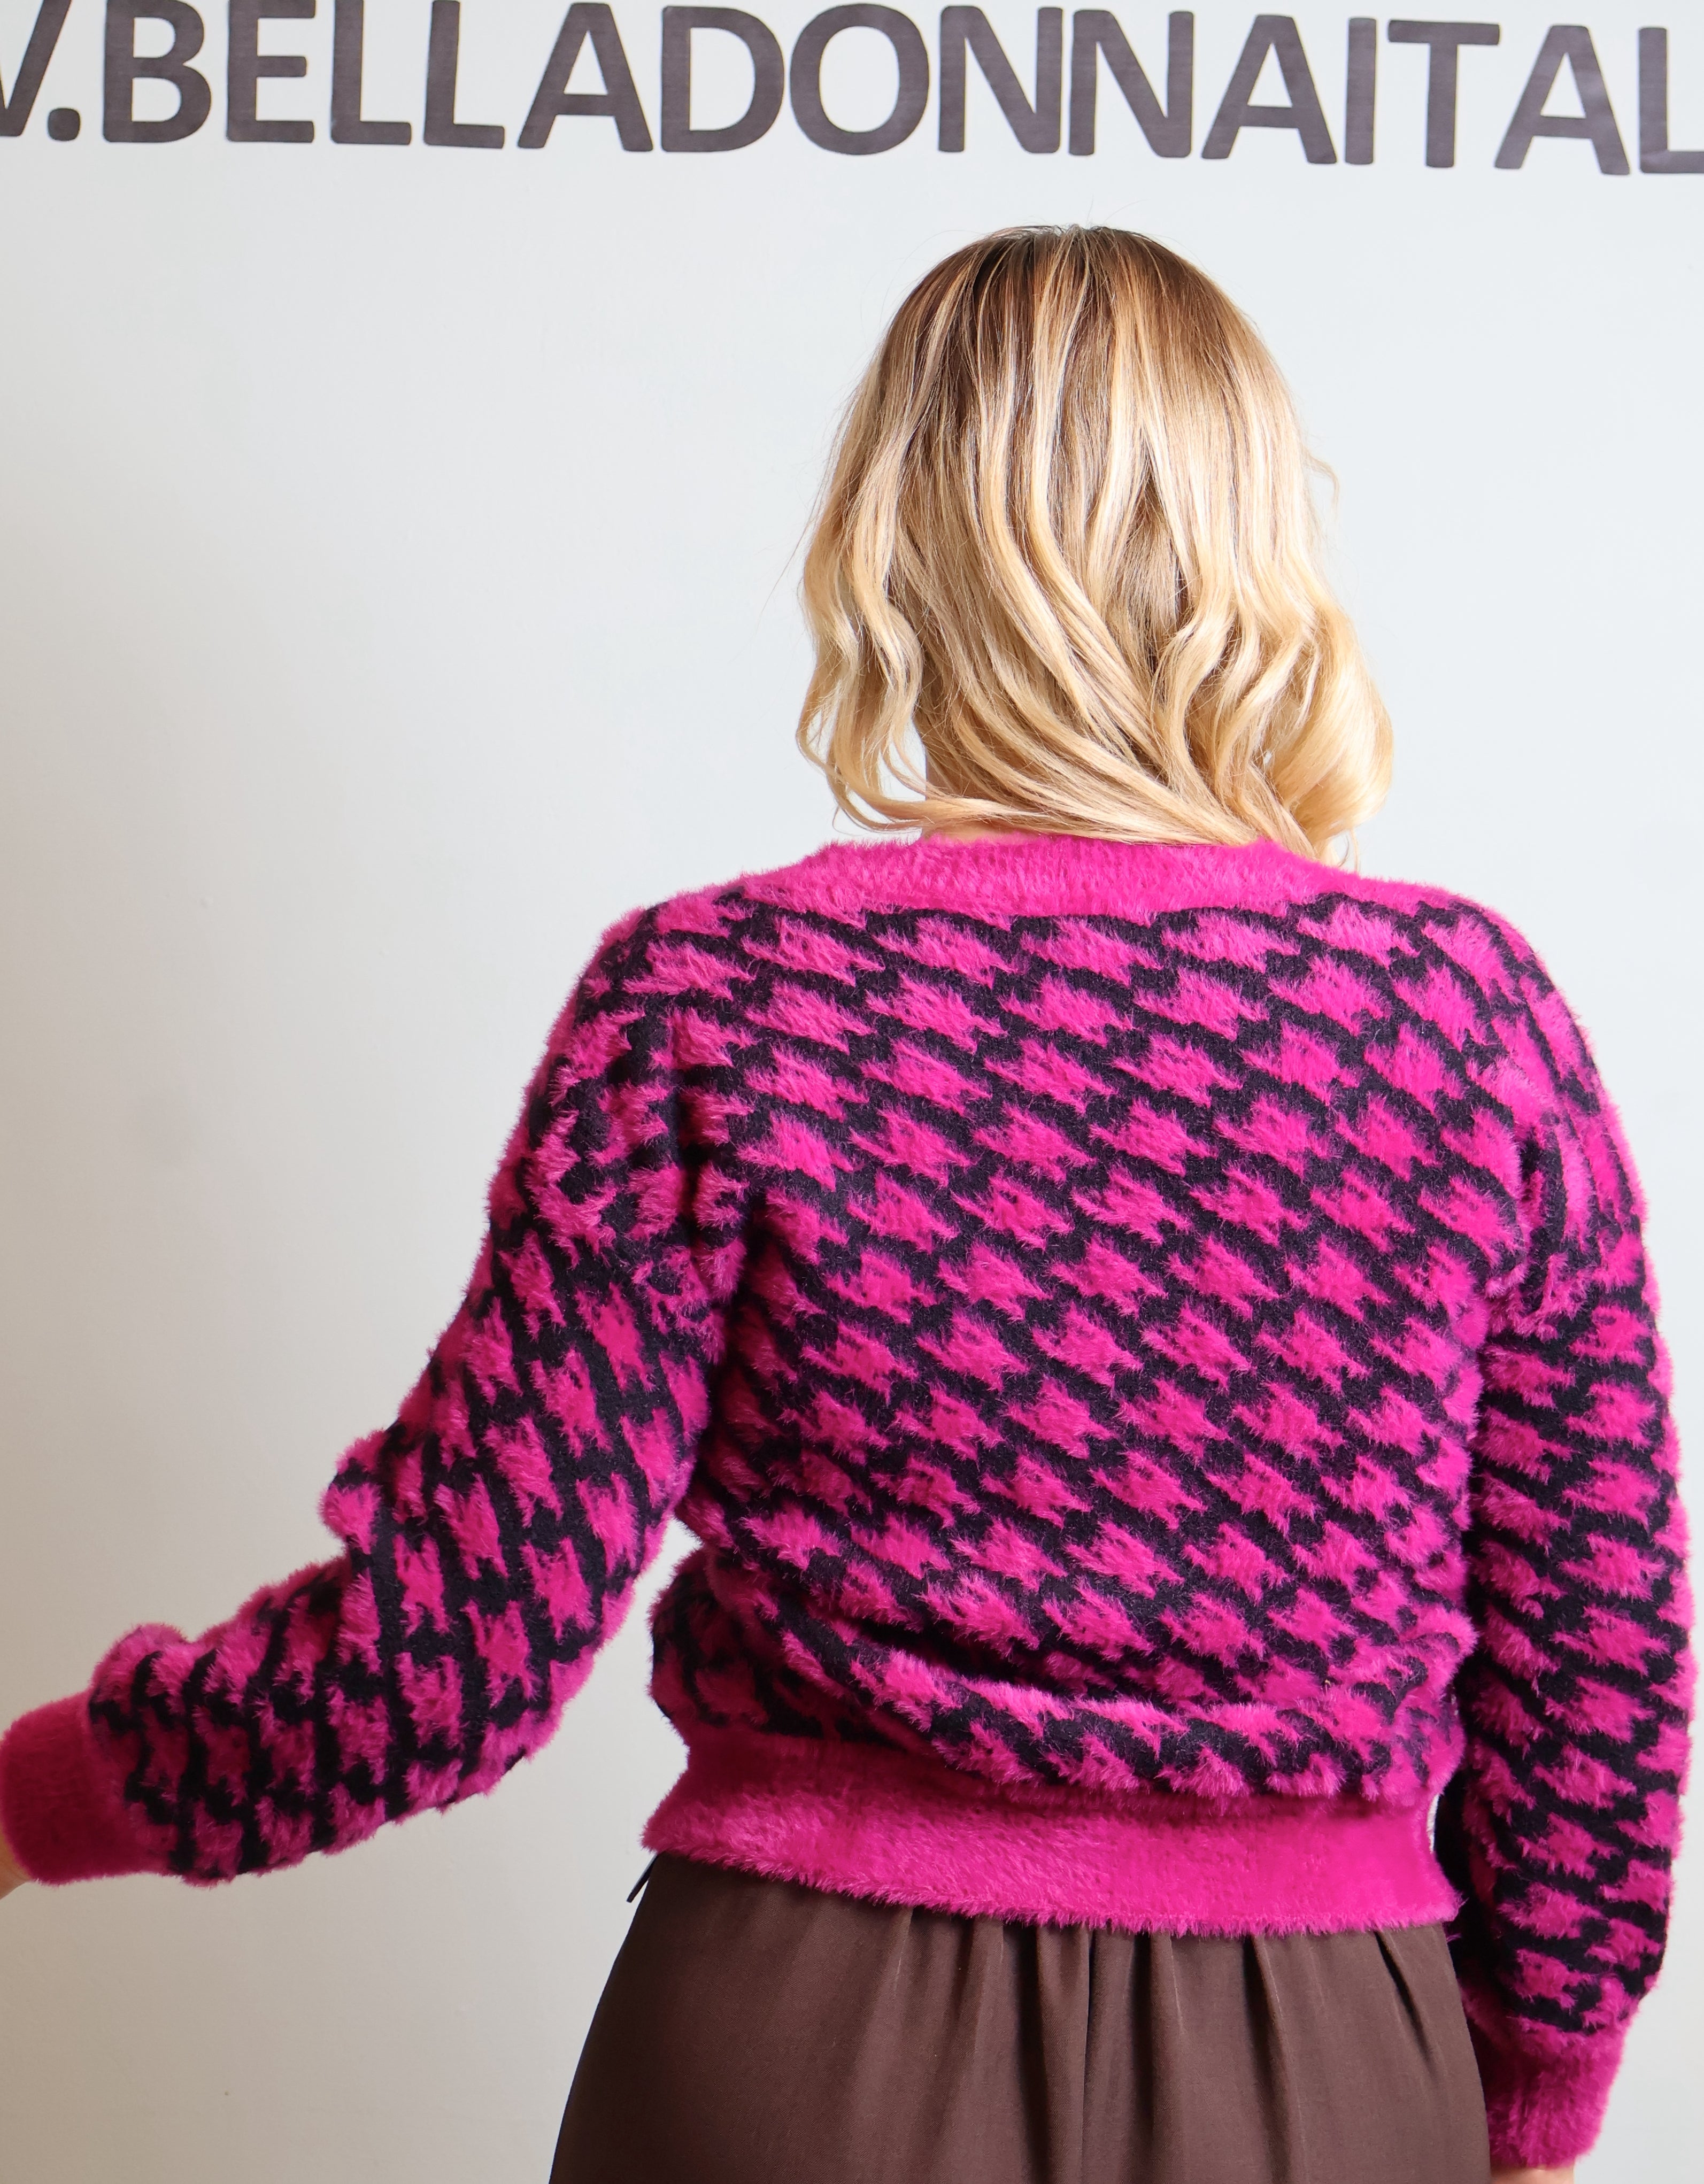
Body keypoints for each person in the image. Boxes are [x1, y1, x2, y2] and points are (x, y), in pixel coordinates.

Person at [0, 227, 1690, 2184]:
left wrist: (36, 1800)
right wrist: (1532, 2084)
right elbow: (1599, 1649)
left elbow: (444, 1647)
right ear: (1260, 545)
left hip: (793, 2053)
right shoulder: (1462, 1018)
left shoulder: (716, 1000)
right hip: (1321, 2060)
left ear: (891, 543)